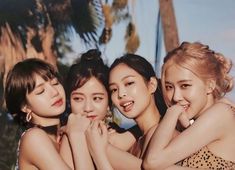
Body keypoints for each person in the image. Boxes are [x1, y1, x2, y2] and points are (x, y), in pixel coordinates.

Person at [143, 42, 235, 170]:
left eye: (185, 85)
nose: (175, 97)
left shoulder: (221, 113)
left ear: (210, 85)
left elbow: (152, 162)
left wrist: (172, 113)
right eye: (169, 87)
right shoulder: (192, 125)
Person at [59, 49, 142, 169]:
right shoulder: (69, 138)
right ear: (69, 101)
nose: (87, 108)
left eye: (97, 98)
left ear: (109, 102)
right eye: (78, 99)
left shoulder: (122, 136)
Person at [85, 53, 169, 169]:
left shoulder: (164, 135)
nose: (120, 94)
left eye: (129, 83)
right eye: (114, 89)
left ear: (152, 85)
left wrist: (99, 153)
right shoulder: (136, 140)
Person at [4, 58, 79, 170]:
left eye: (55, 83)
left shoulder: (66, 134)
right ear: (25, 106)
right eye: (41, 91)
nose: (55, 92)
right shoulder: (34, 138)